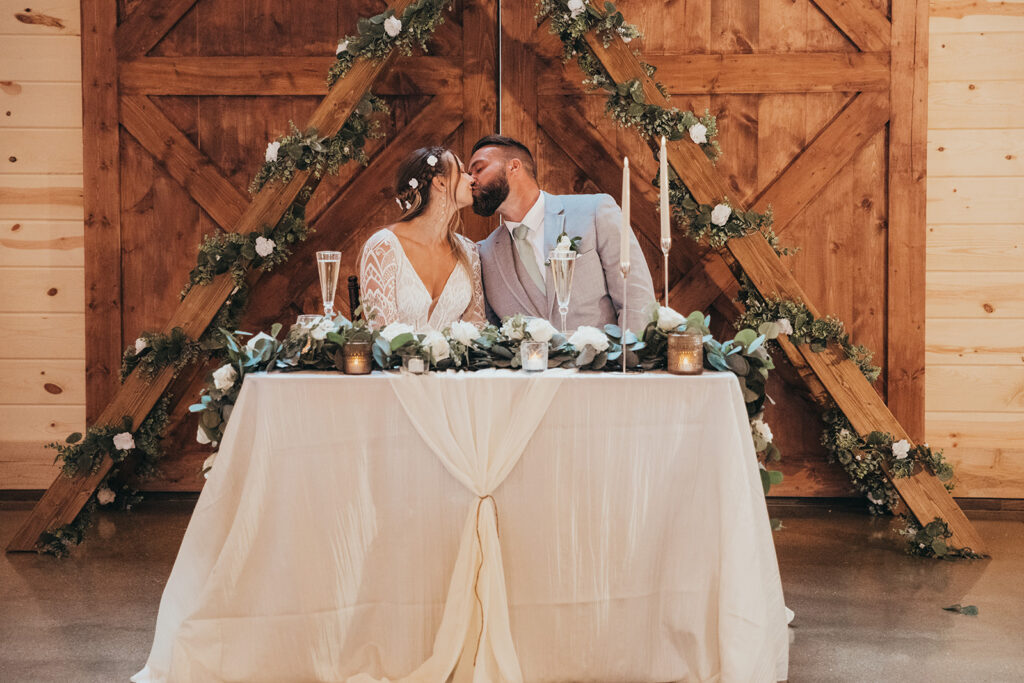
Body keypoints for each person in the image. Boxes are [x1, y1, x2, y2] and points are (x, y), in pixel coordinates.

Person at [468, 135, 655, 331]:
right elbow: (493, 334)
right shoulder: (484, 254)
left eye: (478, 169)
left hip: (610, 360)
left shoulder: (595, 211)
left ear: (514, 167)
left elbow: (636, 299)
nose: (471, 180)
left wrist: (630, 359)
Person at [359, 146, 486, 330]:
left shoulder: (469, 251)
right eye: (462, 172)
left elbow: (476, 329)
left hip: (456, 360)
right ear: (440, 183)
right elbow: (382, 335)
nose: (472, 178)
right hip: (397, 359)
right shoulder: (384, 247)